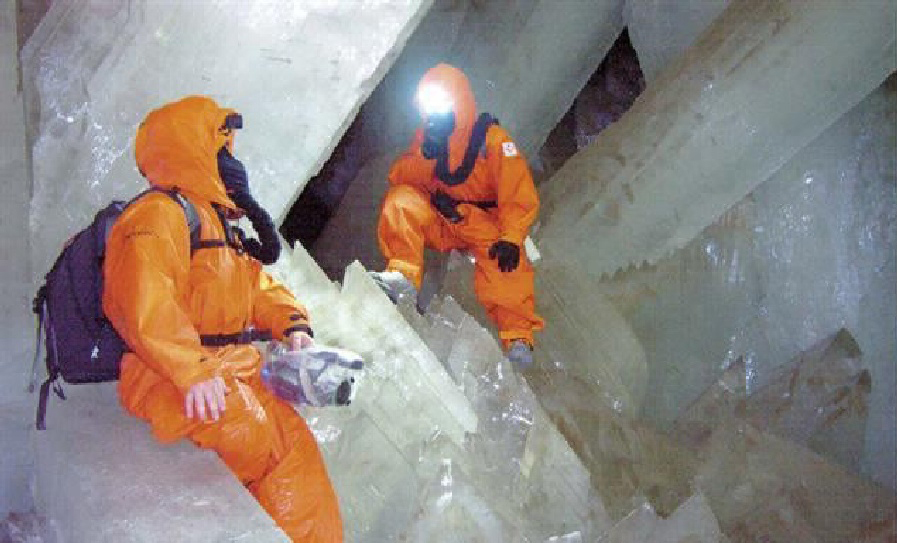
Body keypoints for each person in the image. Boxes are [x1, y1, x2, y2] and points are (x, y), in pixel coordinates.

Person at [102, 95, 343, 542]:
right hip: (165, 375)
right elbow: (142, 296)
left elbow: (257, 288)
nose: (232, 162)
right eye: (222, 150)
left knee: (298, 452)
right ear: (192, 148)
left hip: (230, 373)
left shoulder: (222, 231)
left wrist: (293, 326)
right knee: (251, 435)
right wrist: (190, 369)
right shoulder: (159, 215)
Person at [371, 63, 545, 369]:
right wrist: (426, 157)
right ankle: (402, 275)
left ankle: (518, 338)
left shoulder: (492, 141)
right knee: (401, 202)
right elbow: (403, 178)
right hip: (443, 219)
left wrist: (511, 236)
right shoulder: (427, 138)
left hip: (482, 225)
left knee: (507, 263)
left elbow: (518, 193)